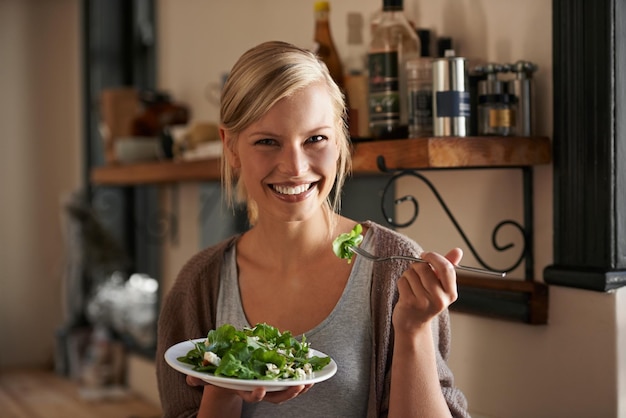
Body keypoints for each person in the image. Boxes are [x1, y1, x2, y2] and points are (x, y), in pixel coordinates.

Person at [156, 40, 470, 418]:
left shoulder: (394, 269)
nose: (294, 166)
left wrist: (413, 331)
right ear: (232, 147)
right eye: (268, 142)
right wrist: (224, 390)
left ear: (339, 141)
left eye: (315, 139)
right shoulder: (198, 285)